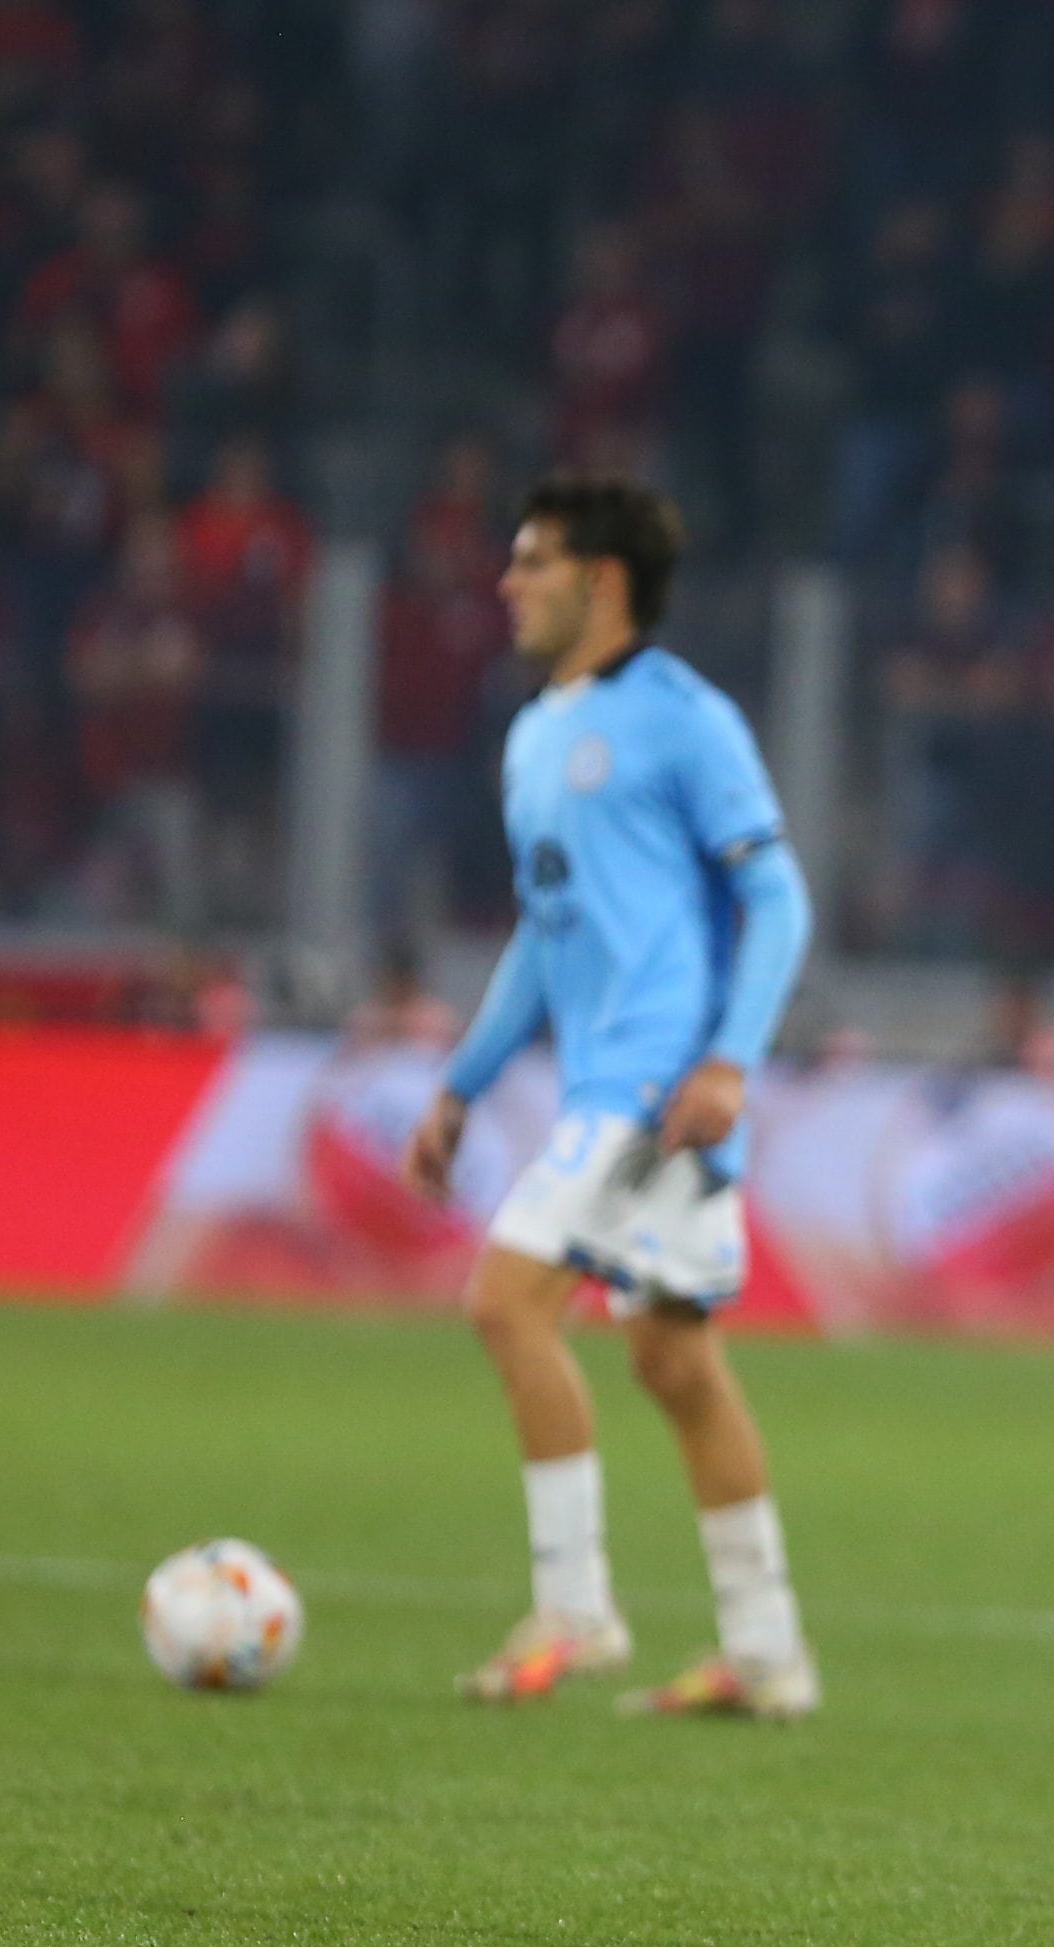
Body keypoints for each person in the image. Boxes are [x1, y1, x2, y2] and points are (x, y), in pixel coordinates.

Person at [401, 475, 823, 1721]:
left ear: (603, 579)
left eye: (531, 562)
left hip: (659, 1077)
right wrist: (463, 1083)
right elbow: (544, 932)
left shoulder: (686, 718)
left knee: (507, 1300)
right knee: (673, 1360)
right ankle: (767, 1654)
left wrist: (730, 1058)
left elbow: (778, 898)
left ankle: (576, 1613)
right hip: (615, 1077)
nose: (506, 583)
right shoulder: (536, 733)